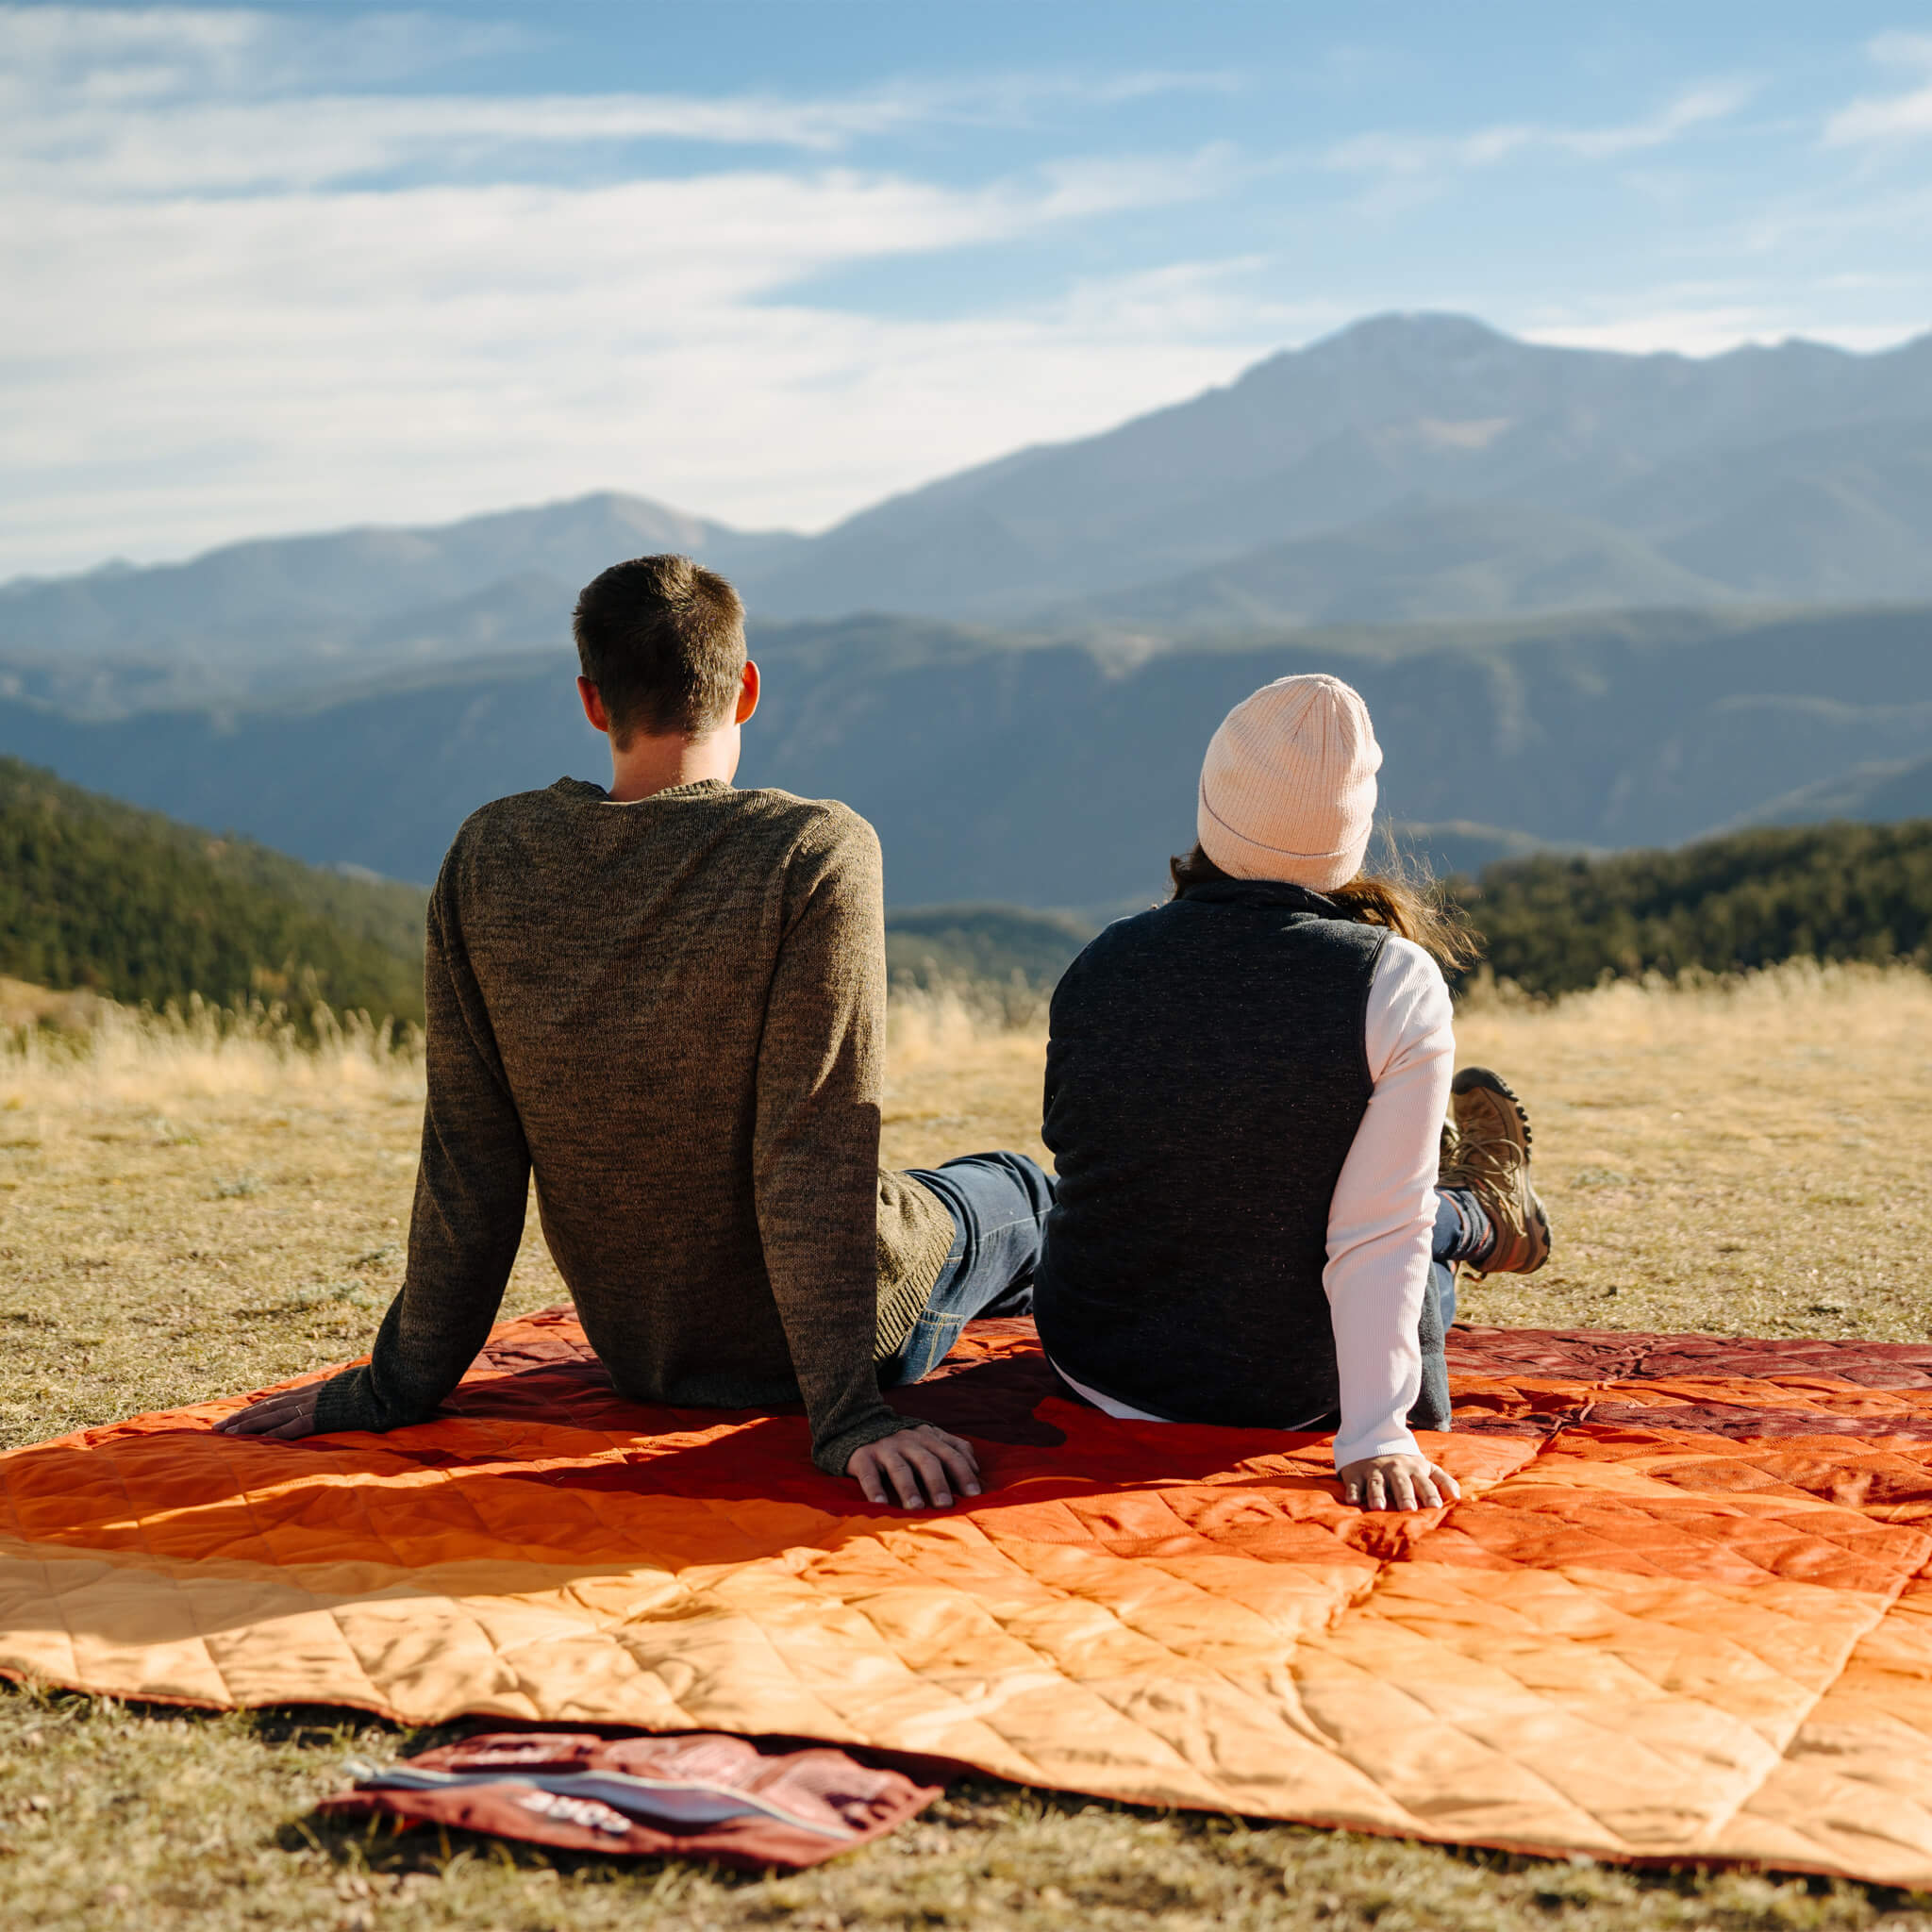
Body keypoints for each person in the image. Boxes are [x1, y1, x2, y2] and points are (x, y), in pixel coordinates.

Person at [217, 555, 1054, 1511]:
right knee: (1021, 1187)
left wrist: (396, 1383)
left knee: (961, 1194)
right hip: (843, 1333)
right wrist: (846, 1415)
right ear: (743, 689)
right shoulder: (812, 850)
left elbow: (468, 1158)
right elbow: (810, 1147)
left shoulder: (488, 856)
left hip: (642, 1350)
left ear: (589, 699)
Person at [1032, 673, 1551, 1512]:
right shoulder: (1392, 978)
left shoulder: (1101, 961)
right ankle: (1482, 1215)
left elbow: (1087, 1158)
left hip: (1095, 1361)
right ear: (1353, 830)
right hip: (1291, 1390)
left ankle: (1467, 1203)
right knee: (1410, 1223)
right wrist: (1379, 1432)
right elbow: (1378, 1234)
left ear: (1209, 800)